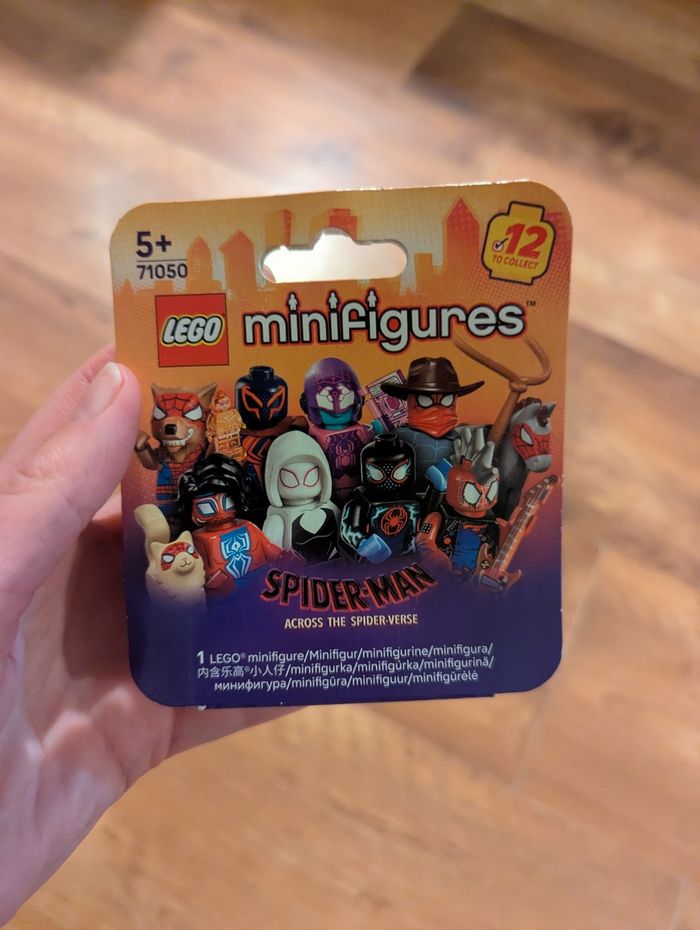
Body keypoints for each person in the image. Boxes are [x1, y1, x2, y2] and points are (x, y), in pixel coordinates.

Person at [0, 346, 292, 923]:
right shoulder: (191, 535)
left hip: (248, 617)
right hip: (199, 618)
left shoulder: (247, 529)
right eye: (206, 503)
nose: (215, 509)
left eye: (222, 501)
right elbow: (176, 559)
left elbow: (275, 558)